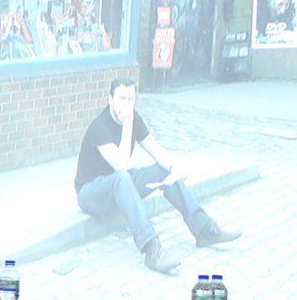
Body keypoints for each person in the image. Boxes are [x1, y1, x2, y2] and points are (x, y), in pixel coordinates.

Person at [73, 77, 239, 274]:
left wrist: (176, 168)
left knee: (163, 171)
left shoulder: (136, 119)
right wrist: (127, 124)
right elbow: (121, 164)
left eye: (130, 99)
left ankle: (203, 229)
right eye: (121, 99)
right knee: (122, 177)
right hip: (90, 194)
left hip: (119, 187)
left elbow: (157, 151)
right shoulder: (99, 126)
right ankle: (151, 249)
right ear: (110, 100)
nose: (126, 104)